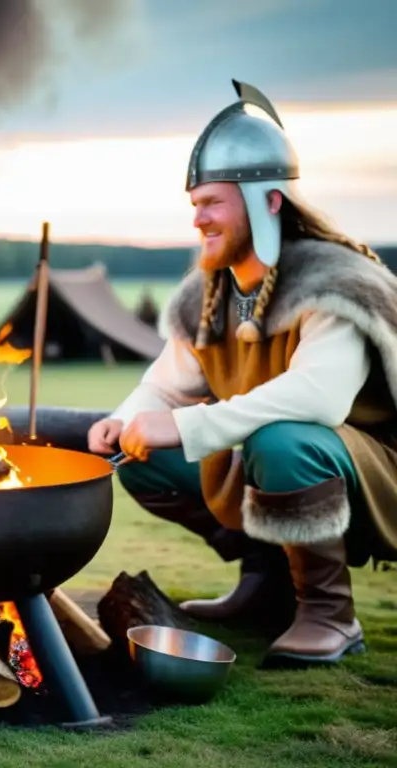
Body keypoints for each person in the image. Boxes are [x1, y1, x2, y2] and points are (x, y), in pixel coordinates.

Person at [84, 79, 397, 668]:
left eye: (212, 203)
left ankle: (330, 614)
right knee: (144, 459)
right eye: (194, 204)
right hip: (278, 453)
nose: (198, 219)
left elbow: (319, 399)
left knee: (282, 442)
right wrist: (124, 420)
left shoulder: (337, 282)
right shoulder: (210, 294)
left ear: (268, 201)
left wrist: (184, 426)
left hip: (373, 470)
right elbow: (166, 382)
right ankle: (270, 581)